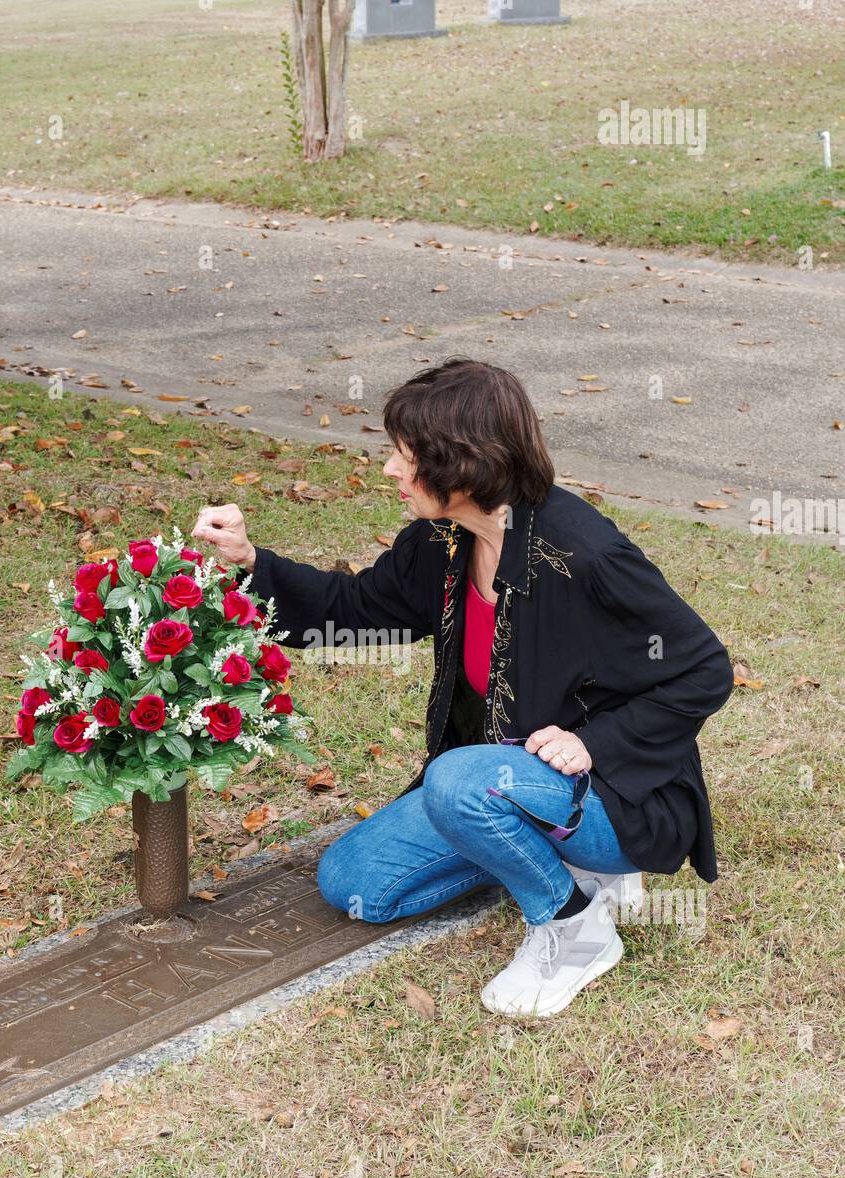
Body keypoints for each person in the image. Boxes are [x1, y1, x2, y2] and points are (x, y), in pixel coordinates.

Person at [192, 359, 733, 1018]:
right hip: (496, 779)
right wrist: (251, 563)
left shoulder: (583, 554)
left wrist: (595, 741)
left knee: (455, 781)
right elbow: (360, 608)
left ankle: (574, 928)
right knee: (354, 882)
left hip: (620, 796)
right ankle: (549, 857)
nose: (390, 469)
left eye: (405, 454)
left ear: (462, 464)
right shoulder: (442, 540)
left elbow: (703, 667)